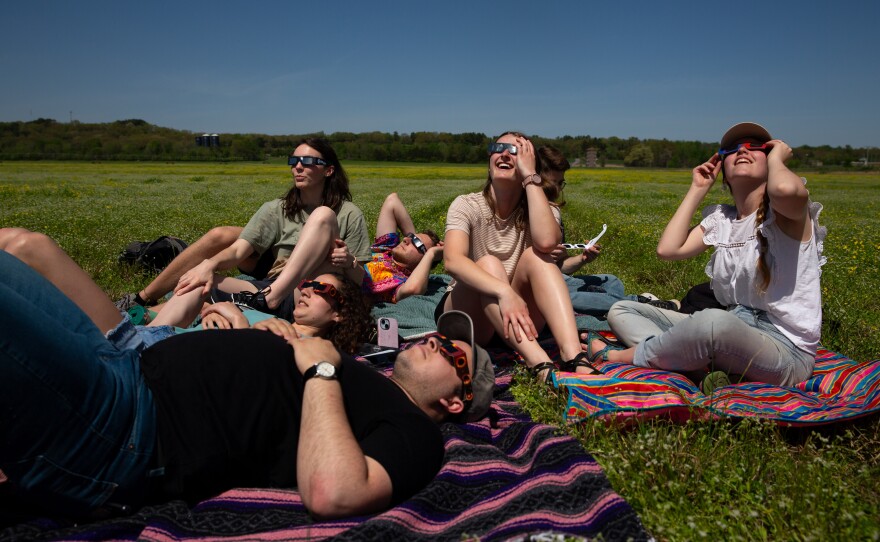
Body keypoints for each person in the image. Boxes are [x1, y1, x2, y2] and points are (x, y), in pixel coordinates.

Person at [0, 249, 495, 520]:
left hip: (125, 427)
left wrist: (319, 369)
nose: (435, 341)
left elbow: (334, 494)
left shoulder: (416, 435)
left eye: (454, 353)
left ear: (457, 400)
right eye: (440, 335)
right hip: (124, 364)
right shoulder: (367, 380)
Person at [587, 122, 824, 387]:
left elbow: (785, 190)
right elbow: (668, 250)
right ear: (723, 169)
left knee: (712, 322)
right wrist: (698, 188)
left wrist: (778, 157)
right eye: (733, 149)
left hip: (784, 352)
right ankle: (699, 371)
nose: (743, 150)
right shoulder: (723, 219)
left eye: (756, 147)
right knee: (622, 309)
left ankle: (620, 356)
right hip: (731, 330)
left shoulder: (785, 215)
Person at [0, 227, 373, 355]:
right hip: (149, 339)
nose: (306, 291)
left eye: (321, 289)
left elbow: (256, 373)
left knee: (28, 248)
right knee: (18, 247)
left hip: (141, 358)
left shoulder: (303, 345)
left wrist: (236, 320)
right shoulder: (273, 322)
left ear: (341, 313)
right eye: (306, 284)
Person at [118, 138, 371, 318]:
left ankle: (269, 297)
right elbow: (239, 250)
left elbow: (363, 283)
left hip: (311, 288)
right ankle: (137, 313)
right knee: (204, 274)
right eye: (293, 160)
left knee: (323, 215)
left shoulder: (348, 213)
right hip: (272, 281)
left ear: (328, 170)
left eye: (307, 160)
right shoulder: (278, 208)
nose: (298, 166)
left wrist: (349, 262)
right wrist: (207, 265)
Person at [441, 132, 598, 382]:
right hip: (471, 318)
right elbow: (452, 261)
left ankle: (573, 357)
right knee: (489, 264)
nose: (504, 154)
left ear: (529, 161)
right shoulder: (466, 205)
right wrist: (505, 292)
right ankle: (541, 365)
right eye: (498, 147)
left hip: (520, 318)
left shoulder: (544, 210)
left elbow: (547, 243)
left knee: (539, 256)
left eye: (515, 150)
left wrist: (530, 178)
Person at [537, 145, 681, 316]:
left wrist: (582, 259)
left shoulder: (553, 211)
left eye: (561, 183)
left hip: (559, 279)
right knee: (569, 296)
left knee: (611, 281)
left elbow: (560, 267)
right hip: (542, 284)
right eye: (555, 184)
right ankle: (639, 305)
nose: (559, 189)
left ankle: (610, 305)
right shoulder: (524, 211)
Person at [362, 192, 443, 303]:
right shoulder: (386, 249)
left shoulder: (400, 282)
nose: (405, 239)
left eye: (417, 242)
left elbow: (413, 289)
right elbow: (392, 201)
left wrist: (432, 253)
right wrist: (413, 240)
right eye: (410, 237)